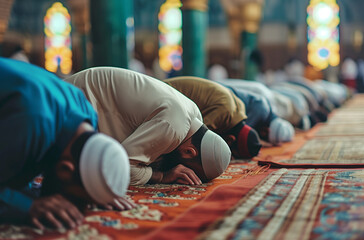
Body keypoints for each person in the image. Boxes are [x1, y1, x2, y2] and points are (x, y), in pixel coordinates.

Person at [0, 58, 132, 230]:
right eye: (78, 200)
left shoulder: (86, 113)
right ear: (64, 169)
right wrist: (27, 206)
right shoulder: (30, 125)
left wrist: (101, 189)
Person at [65, 67, 231, 186]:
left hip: (84, 90)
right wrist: (162, 176)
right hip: (75, 100)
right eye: (189, 169)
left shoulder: (194, 114)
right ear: (189, 152)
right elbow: (119, 167)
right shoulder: (173, 127)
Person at [164, 76, 262, 158]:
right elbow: (193, 138)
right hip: (164, 94)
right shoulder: (223, 113)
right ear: (230, 140)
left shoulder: (240, 109)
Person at [224, 85, 295, 146]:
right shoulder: (261, 110)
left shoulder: (265, 110)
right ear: (266, 131)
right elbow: (240, 136)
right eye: (265, 137)